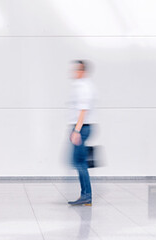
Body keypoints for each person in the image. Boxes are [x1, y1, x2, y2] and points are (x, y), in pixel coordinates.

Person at [67, 60, 96, 206]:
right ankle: (86, 195)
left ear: (82, 71)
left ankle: (86, 195)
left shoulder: (84, 88)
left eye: (76, 70)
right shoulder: (83, 86)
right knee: (79, 162)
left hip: (82, 127)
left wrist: (76, 131)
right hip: (82, 127)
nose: (73, 72)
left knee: (79, 163)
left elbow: (83, 110)